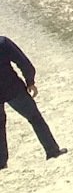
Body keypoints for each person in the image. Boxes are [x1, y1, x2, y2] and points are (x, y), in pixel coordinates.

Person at [0, 33, 65, 169]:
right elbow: (23, 62)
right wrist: (30, 81)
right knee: (35, 118)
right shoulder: (3, 42)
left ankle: (1, 163)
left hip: (12, 89)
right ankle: (52, 151)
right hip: (13, 89)